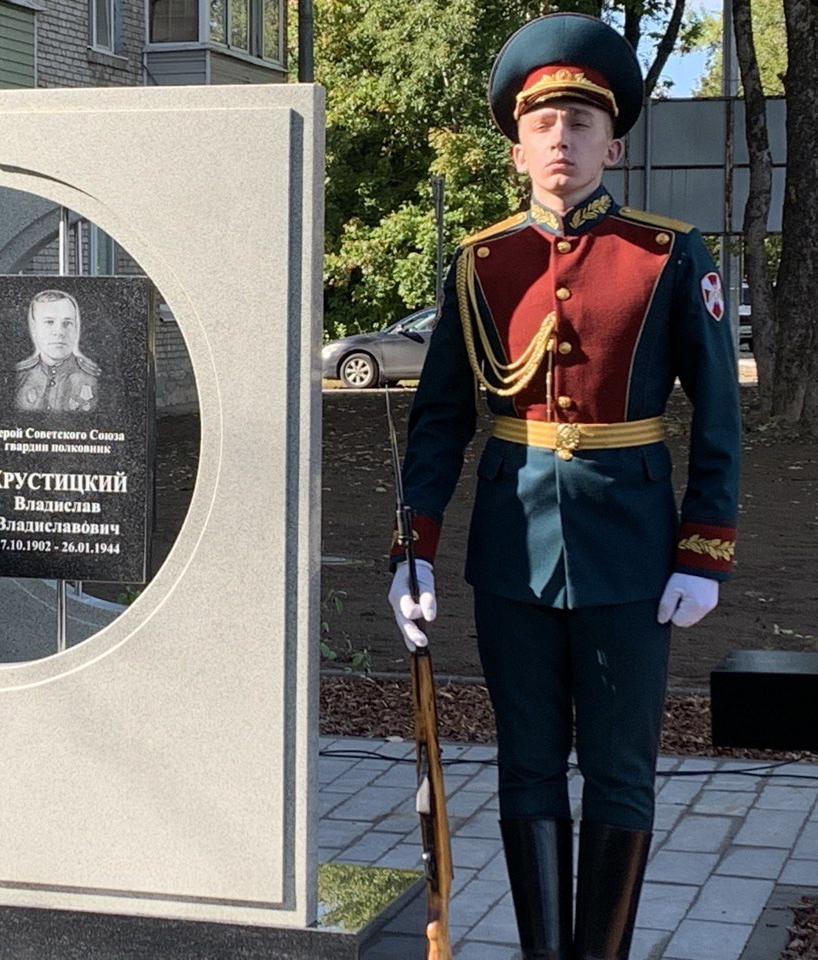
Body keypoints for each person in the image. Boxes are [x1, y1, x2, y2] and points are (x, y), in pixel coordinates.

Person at [387, 13, 739, 960]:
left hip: (631, 555)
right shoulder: (480, 264)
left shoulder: (667, 255)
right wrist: (413, 549)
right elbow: (442, 421)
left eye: (582, 123)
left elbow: (718, 412)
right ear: (516, 146)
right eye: (544, 125)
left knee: (621, 771)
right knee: (528, 765)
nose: (562, 140)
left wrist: (704, 547)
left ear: (612, 143)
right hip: (510, 554)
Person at [14, 288, 102, 412]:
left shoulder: (94, 379)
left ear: (76, 328)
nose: (59, 332)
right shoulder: (19, 377)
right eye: (49, 322)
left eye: (67, 323)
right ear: (34, 328)